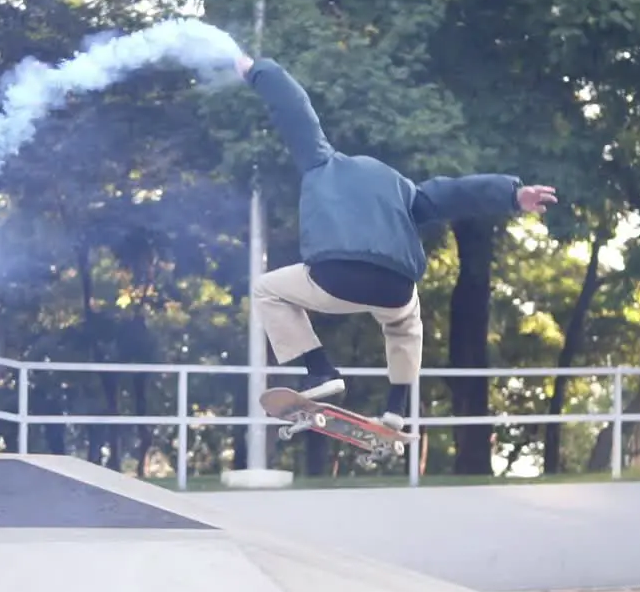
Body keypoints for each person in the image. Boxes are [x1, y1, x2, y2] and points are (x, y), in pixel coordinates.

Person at [235, 54, 558, 431]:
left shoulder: (322, 161)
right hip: (395, 285)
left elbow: (295, 108)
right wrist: (513, 195)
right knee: (406, 323)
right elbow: (455, 192)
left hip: (336, 274)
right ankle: (396, 408)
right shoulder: (404, 190)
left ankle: (319, 371)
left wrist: (257, 69)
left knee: (267, 289)